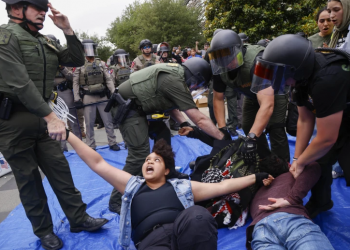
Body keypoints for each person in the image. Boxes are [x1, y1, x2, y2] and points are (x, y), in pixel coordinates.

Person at [0, 1, 108, 249]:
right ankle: (44, 231)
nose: (43, 12)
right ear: (17, 9)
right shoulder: (5, 37)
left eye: (44, 7)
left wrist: (67, 30)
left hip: (43, 118)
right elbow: (19, 83)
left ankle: (78, 218)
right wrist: (51, 117)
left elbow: (75, 59)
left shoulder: (43, 40)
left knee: (60, 170)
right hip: (13, 120)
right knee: (29, 181)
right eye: (36, 7)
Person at [66, 132, 273, 249]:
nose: (149, 162)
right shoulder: (132, 185)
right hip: (151, 241)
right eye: (147, 160)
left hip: (183, 233)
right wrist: (68, 135)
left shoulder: (182, 187)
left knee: (198, 215)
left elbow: (222, 186)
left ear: (166, 170)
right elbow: (97, 163)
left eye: (156, 160)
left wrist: (257, 176)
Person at [108, 57, 232, 214]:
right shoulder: (174, 80)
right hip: (128, 109)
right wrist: (221, 138)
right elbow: (199, 119)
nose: (194, 88)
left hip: (139, 107)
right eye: (196, 85)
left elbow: (171, 106)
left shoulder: (175, 74)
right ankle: (115, 200)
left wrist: (183, 124)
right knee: (139, 155)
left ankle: (168, 172)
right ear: (195, 76)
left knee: (163, 134)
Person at [252, 34, 350, 218]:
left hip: (343, 114)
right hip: (338, 114)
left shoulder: (328, 78)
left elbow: (327, 138)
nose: (274, 80)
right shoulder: (300, 79)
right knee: (318, 160)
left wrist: (303, 160)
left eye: (278, 74)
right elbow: (305, 119)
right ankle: (321, 202)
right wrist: (298, 158)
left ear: (293, 71)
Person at [209, 30, 290, 163]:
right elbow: (218, 98)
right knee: (247, 125)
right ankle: (265, 158)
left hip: (273, 93)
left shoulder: (258, 61)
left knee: (275, 127)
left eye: (228, 59)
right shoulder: (220, 65)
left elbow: (267, 105)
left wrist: (251, 138)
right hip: (251, 94)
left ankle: (281, 166)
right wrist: (222, 129)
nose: (226, 64)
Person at [247, 162, 334, 250]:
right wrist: (292, 198)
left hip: (261, 230)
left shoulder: (254, 193)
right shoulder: (289, 176)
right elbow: (314, 166)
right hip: (290, 219)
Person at [73, 39, 120, 151]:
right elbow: (75, 82)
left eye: (91, 48)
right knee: (89, 123)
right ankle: (91, 145)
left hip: (102, 95)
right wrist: (77, 98)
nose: (90, 50)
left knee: (108, 121)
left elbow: (108, 79)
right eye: (87, 48)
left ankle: (112, 142)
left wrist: (113, 93)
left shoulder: (101, 63)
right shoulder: (79, 64)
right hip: (88, 95)